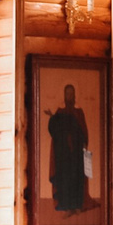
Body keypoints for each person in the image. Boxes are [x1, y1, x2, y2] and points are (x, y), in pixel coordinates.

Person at [46, 81, 90, 213]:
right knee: (64, 178)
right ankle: (65, 206)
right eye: (67, 93)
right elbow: (55, 129)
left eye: (72, 93)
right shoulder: (60, 111)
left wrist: (83, 145)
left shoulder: (79, 111)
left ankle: (76, 206)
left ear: (75, 95)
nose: (69, 96)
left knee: (76, 178)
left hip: (76, 153)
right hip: (64, 153)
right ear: (64, 95)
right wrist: (52, 117)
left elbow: (83, 130)